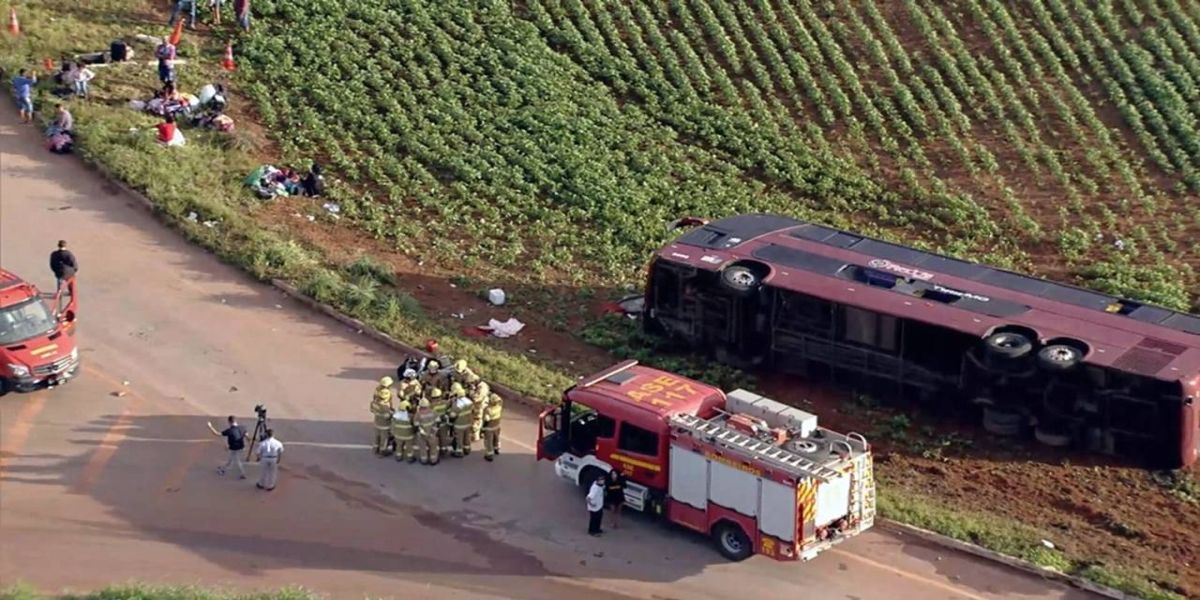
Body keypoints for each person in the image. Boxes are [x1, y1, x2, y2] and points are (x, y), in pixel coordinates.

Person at [414, 395, 439, 465]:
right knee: (433, 447)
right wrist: (434, 430)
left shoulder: (418, 414)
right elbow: (438, 421)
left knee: (423, 448)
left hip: (422, 434)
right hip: (432, 433)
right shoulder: (433, 412)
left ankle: (423, 460)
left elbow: (416, 425)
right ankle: (433, 460)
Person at [370, 384, 394, 456]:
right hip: (384, 425)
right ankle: (382, 451)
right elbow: (387, 416)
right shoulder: (385, 406)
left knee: (377, 436)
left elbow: (372, 410)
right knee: (384, 438)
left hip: (377, 422)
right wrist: (392, 413)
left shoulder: (374, 402)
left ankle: (375, 449)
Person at [391, 397, 416, 463]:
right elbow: (415, 424)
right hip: (408, 435)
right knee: (409, 447)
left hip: (398, 435)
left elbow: (392, 426)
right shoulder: (410, 416)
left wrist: (393, 434)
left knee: (399, 446)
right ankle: (410, 458)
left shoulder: (395, 416)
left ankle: (398, 456)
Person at [481, 392, 503, 462]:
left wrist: (482, 429)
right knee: (496, 438)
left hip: (489, 428)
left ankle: (489, 455)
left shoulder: (487, 410)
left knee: (489, 442)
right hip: (497, 426)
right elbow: (501, 400)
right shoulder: (499, 406)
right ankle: (496, 449)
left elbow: (486, 420)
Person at [451, 392, 473, 457]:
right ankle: (467, 449)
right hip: (468, 423)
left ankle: (459, 452)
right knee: (467, 437)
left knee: (459, 439)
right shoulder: (469, 402)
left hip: (459, 425)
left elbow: (452, 415)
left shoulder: (457, 404)